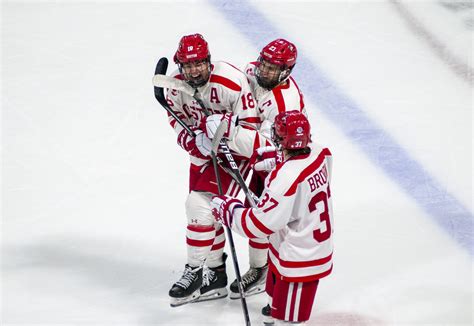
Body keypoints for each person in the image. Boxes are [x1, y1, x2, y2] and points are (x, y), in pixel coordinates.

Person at [211, 110, 334, 324]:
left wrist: (229, 211)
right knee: (273, 301)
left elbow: (259, 225)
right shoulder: (320, 153)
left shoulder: (284, 180)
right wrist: (280, 161)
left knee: (288, 320)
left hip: (300, 260)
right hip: (292, 245)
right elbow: (302, 169)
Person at [164, 33, 260, 307]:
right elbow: (177, 122)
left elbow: (251, 129)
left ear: (208, 61)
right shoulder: (175, 86)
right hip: (203, 154)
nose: (193, 70)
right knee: (207, 216)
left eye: (198, 64)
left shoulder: (231, 80)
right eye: (187, 65)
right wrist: (195, 142)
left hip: (233, 154)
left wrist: (224, 132)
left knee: (199, 207)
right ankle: (216, 275)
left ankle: (194, 271)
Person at [226, 38, 307, 299]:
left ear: (286, 72)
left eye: (273, 69)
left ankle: (267, 269)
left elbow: (267, 145)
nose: (265, 71)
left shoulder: (286, 102)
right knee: (257, 210)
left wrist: (229, 133)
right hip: (260, 154)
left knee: (267, 216)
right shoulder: (251, 72)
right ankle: (263, 267)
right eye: (264, 64)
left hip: (281, 162)